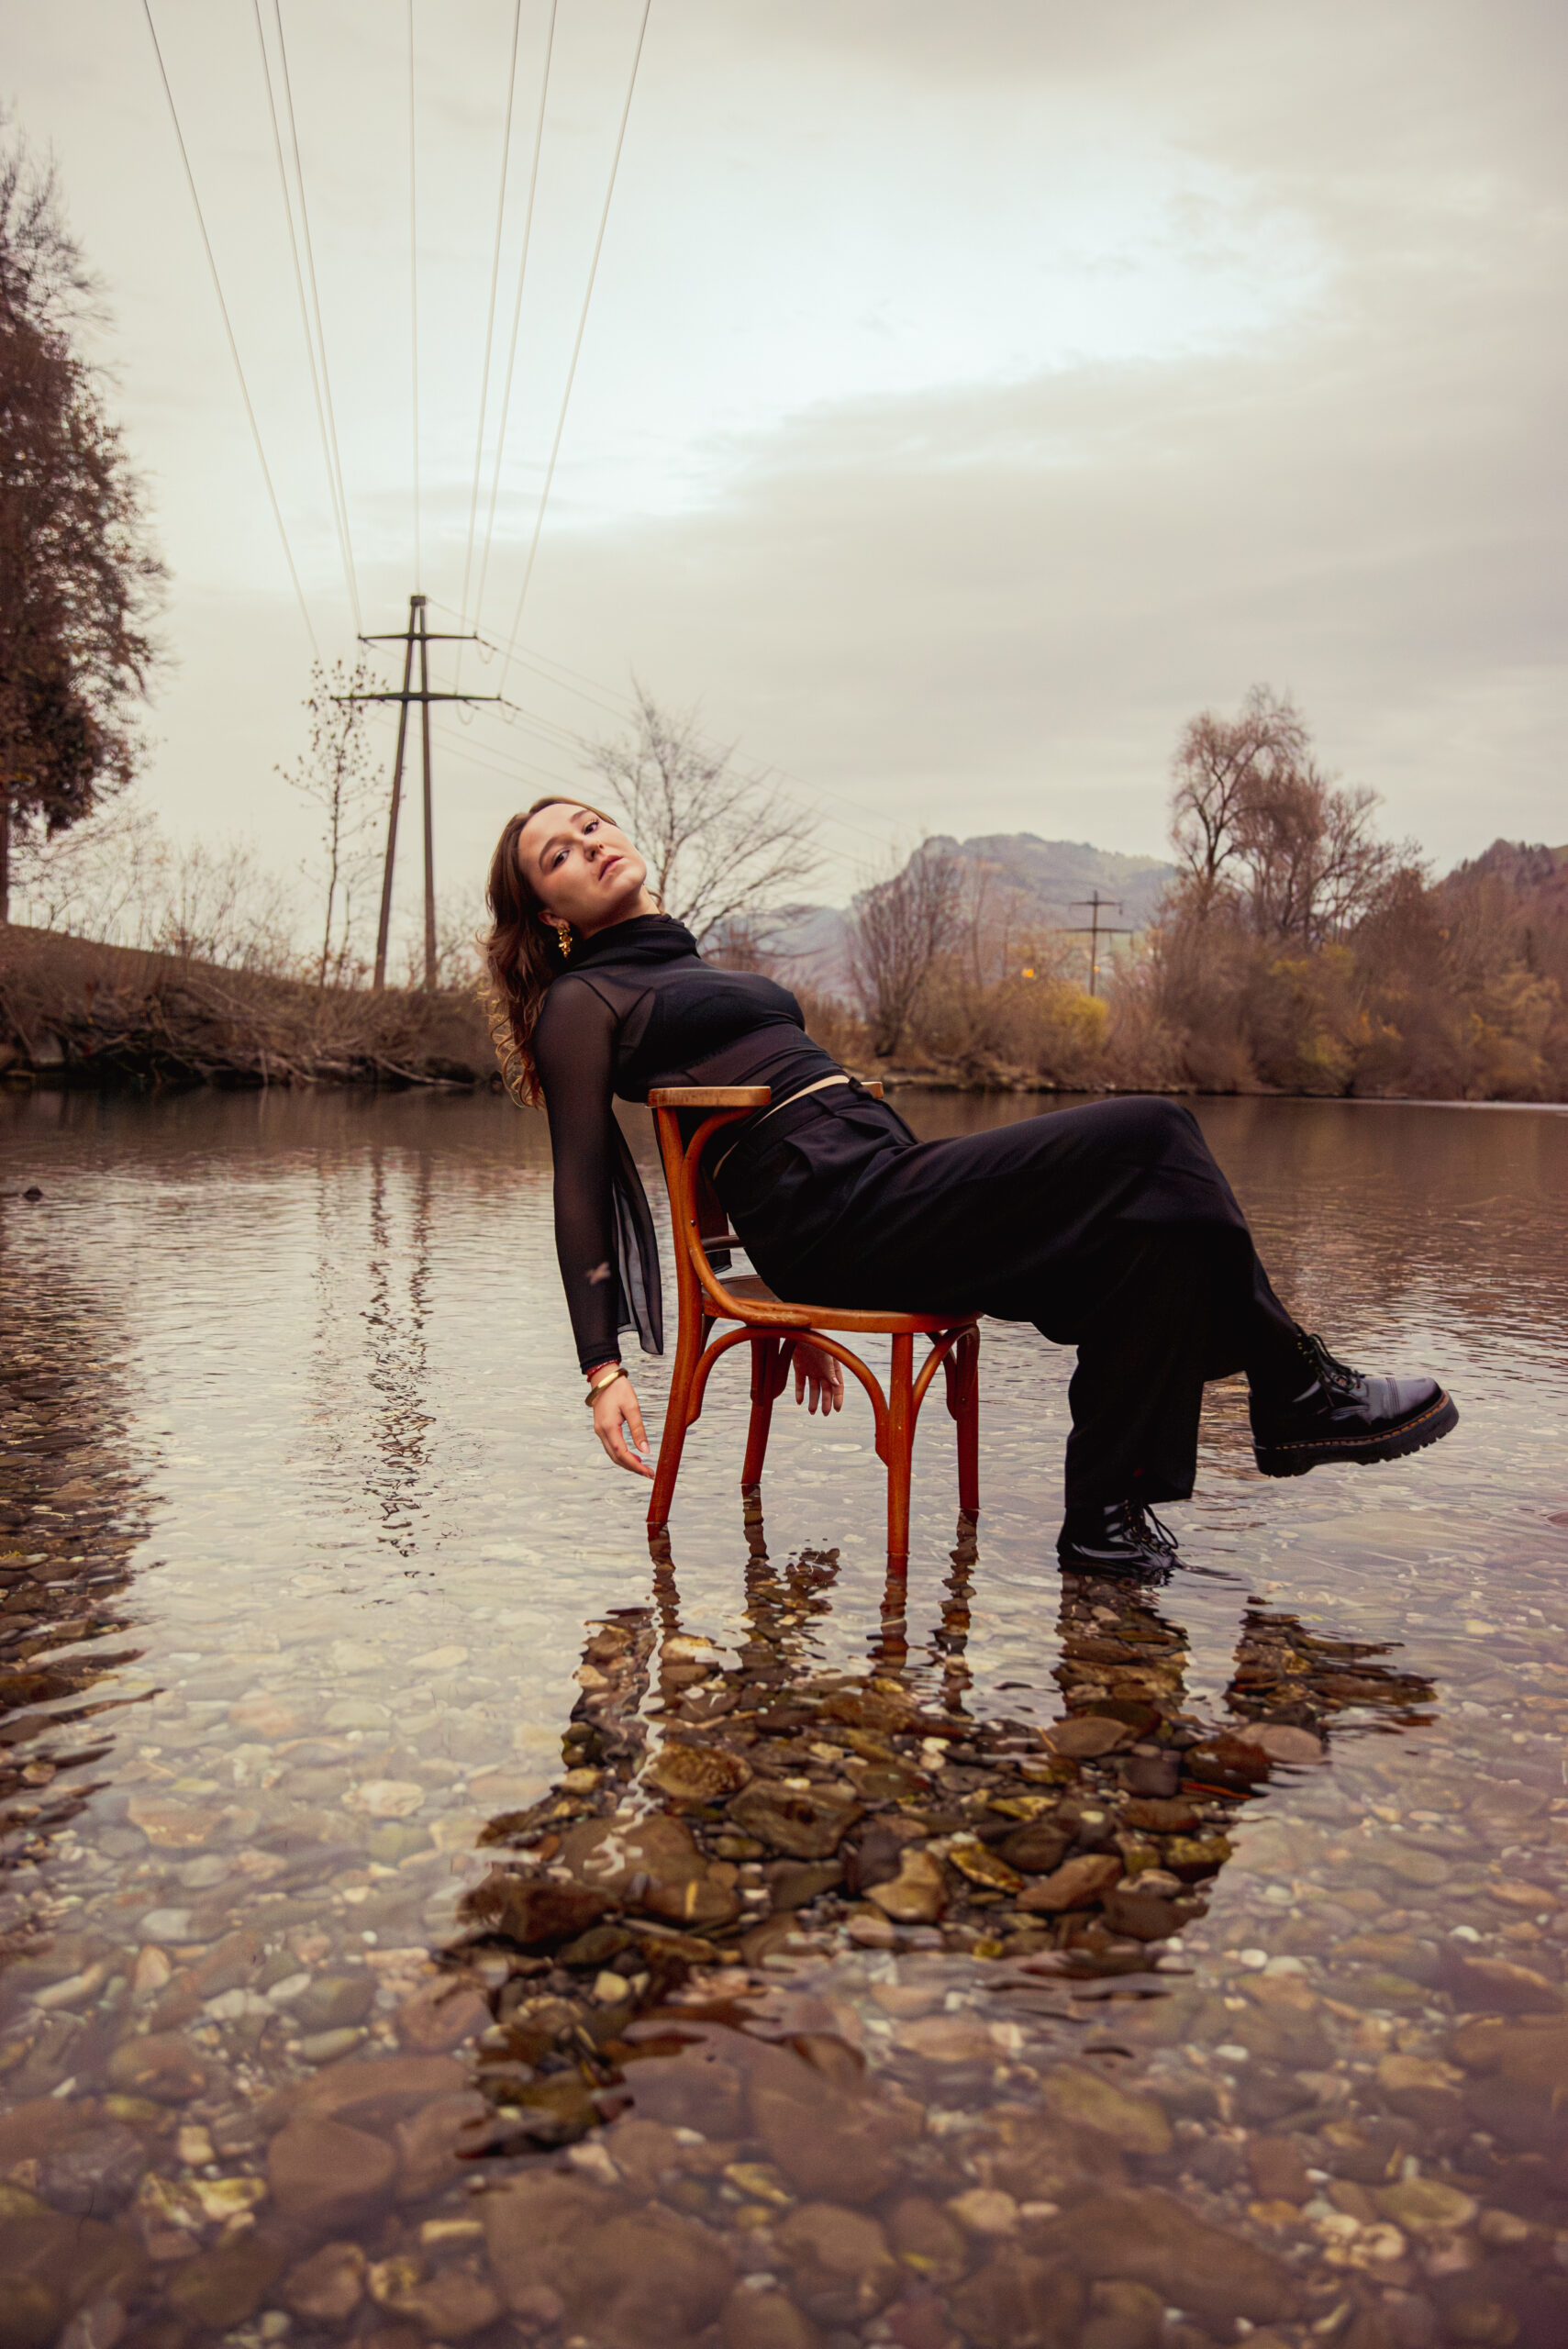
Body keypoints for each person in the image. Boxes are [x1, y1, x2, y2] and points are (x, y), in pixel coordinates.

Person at [482, 797, 1458, 1572]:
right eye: (557, 855)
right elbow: (577, 1182)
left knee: (1151, 1238)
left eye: (589, 824)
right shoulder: (580, 999)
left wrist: (782, 1310)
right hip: (833, 1214)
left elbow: (707, 1137)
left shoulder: (686, 963)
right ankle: (1291, 1383)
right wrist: (600, 1367)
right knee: (1153, 1130)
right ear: (547, 913)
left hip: (872, 1180)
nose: (587, 845)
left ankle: (1105, 1523)